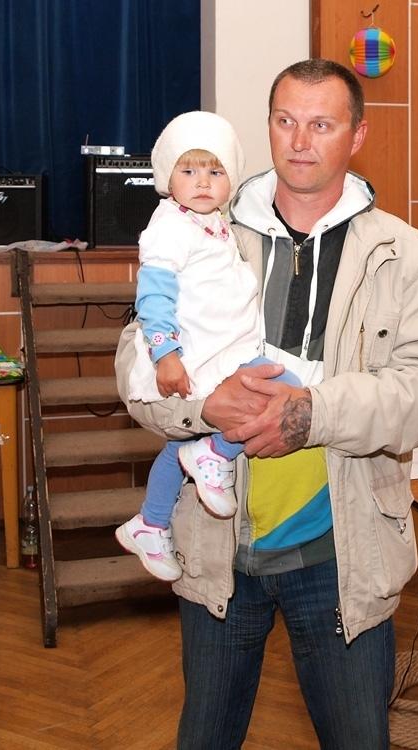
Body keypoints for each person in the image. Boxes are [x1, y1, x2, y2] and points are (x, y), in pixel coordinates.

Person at [115, 59, 418, 749]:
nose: (300, 141)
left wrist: (313, 415)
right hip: (218, 550)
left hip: (340, 554)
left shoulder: (404, 254)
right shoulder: (202, 226)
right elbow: (136, 360)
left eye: (322, 124)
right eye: (285, 121)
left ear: (357, 136)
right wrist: (204, 411)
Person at [115, 111, 308, 583]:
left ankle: (150, 523)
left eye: (215, 171)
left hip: (226, 348)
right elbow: (154, 297)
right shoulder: (170, 226)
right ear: (167, 178)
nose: (202, 182)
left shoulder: (215, 222)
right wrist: (166, 356)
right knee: (275, 391)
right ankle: (215, 454)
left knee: (184, 443)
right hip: (195, 354)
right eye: (189, 170)